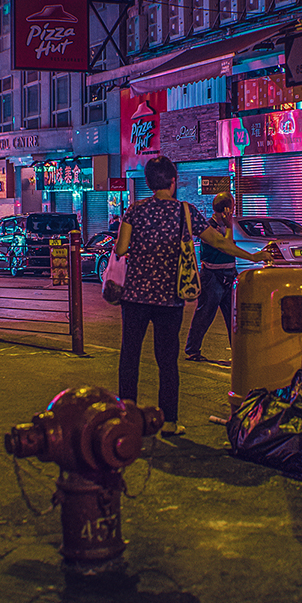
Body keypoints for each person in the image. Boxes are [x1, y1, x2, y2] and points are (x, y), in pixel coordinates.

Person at [115, 156, 270, 437]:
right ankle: (170, 422)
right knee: (167, 360)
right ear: (173, 182)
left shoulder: (134, 211)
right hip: (169, 298)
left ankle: (127, 420)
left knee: (130, 356)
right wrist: (252, 256)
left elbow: (122, 248)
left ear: (149, 183)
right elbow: (220, 242)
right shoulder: (185, 212)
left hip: (135, 296)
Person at [184, 192, 244, 363]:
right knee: (204, 314)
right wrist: (229, 226)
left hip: (229, 274)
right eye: (231, 207)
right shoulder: (209, 227)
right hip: (212, 276)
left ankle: (238, 352)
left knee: (233, 316)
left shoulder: (228, 225)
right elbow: (225, 246)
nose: (233, 211)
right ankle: (192, 350)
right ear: (226, 209)